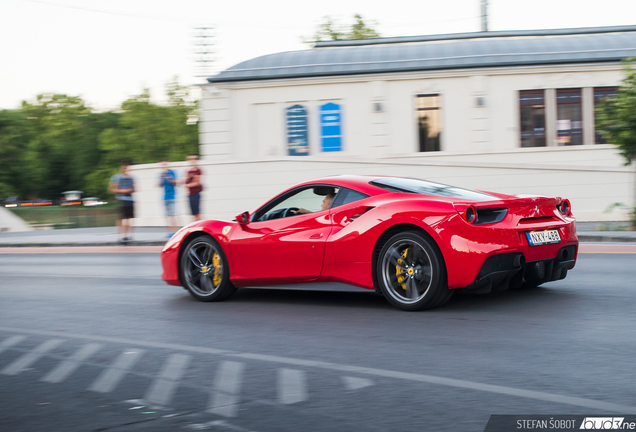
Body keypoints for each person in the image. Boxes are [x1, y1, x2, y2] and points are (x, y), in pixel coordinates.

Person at [109, 160, 135, 244]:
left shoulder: (131, 177)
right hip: (121, 199)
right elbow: (111, 189)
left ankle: (128, 235)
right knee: (121, 218)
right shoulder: (116, 177)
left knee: (129, 218)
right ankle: (120, 236)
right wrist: (123, 190)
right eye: (125, 167)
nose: (126, 169)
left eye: (127, 168)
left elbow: (134, 188)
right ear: (121, 168)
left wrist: (131, 190)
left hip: (130, 199)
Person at [158, 158, 178, 238]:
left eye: (165, 164)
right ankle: (169, 232)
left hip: (172, 196)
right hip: (165, 197)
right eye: (162, 164)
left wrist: (168, 178)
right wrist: (162, 179)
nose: (164, 165)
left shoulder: (172, 172)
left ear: (168, 163)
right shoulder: (162, 174)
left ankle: (174, 232)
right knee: (166, 215)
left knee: (172, 215)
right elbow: (160, 185)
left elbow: (175, 182)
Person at [184, 154, 203, 221]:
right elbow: (186, 181)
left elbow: (197, 182)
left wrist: (188, 185)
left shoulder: (198, 170)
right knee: (193, 214)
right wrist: (189, 178)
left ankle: (200, 228)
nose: (193, 160)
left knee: (197, 213)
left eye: (194, 158)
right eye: (191, 159)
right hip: (190, 194)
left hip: (195, 193)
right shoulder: (189, 171)